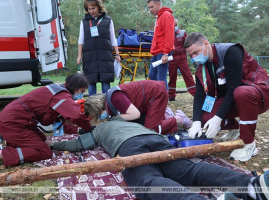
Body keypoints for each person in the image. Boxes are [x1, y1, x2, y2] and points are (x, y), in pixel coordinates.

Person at [49, 116, 269, 200]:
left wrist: (52, 144)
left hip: (130, 147)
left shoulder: (100, 129)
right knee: (188, 171)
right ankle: (250, 186)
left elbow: (78, 145)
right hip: (157, 141)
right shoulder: (131, 122)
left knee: (148, 182)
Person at [0, 74, 94, 168]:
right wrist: (88, 128)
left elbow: (59, 123)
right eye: (82, 91)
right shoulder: (62, 97)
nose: (81, 95)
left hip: (19, 121)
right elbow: (77, 116)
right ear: (76, 87)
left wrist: (79, 129)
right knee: (44, 152)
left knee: (43, 142)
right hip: (14, 123)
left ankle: (10, 140)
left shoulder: (57, 91)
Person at [184, 32, 269, 161]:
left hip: (258, 92)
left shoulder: (230, 52)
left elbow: (233, 88)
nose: (194, 57)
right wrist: (196, 122)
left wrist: (218, 118)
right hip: (235, 98)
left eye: (196, 52)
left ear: (206, 44)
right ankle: (235, 128)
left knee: (241, 92)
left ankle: (248, 144)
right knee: (204, 116)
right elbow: (199, 97)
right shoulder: (201, 69)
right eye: (191, 55)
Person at [84, 80, 192, 135]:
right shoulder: (110, 104)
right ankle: (165, 115)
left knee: (152, 130)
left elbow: (135, 114)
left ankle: (178, 118)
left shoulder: (115, 98)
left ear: (97, 108)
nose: (99, 118)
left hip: (156, 93)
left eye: (96, 115)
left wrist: (116, 119)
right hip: (148, 101)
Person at [77, 0, 121, 96]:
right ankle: (93, 107)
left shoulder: (108, 20)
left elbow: (113, 39)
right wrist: (79, 56)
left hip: (105, 56)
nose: (91, 11)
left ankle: (106, 105)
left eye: (93, 8)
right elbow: (81, 40)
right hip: (89, 56)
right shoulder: (84, 22)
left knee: (105, 82)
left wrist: (117, 54)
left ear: (99, 7)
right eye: (89, 9)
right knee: (91, 82)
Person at [147, 0, 175, 91]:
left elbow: (169, 36)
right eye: (149, 8)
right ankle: (157, 97)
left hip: (163, 52)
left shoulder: (166, 15)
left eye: (152, 7)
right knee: (152, 75)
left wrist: (166, 53)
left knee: (161, 77)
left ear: (159, 4)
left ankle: (163, 101)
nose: (150, 10)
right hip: (156, 52)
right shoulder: (159, 17)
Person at [168, 19, 196, 101]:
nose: (174, 27)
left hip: (181, 59)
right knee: (172, 77)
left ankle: (195, 93)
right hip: (172, 59)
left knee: (187, 76)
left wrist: (192, 56)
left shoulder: (183, 33)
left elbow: (188, 45)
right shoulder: (168, 34)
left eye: (175, 25)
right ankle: (171, 95)